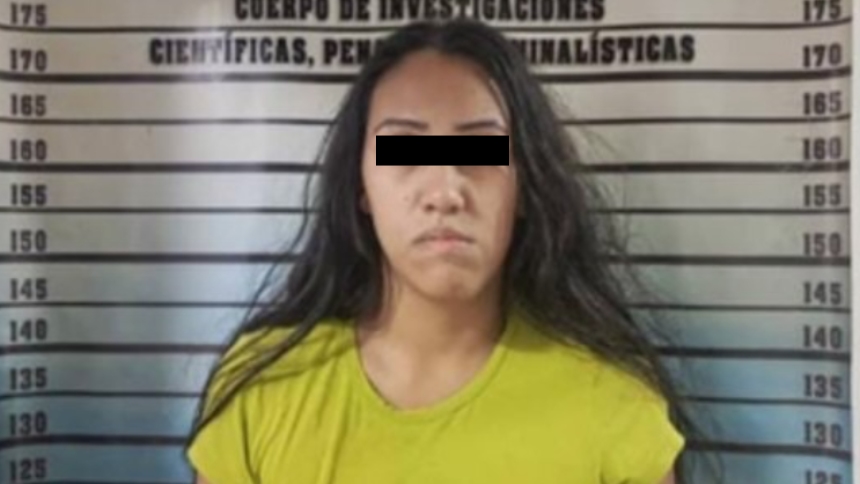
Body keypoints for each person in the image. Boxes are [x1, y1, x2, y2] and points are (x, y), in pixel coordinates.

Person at [184, 18, 710, 484]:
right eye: (404, 150)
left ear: (525, 185)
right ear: (361, 185)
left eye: (479, 149)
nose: (444, 192)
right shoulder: (262, 387)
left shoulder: (613, 400)